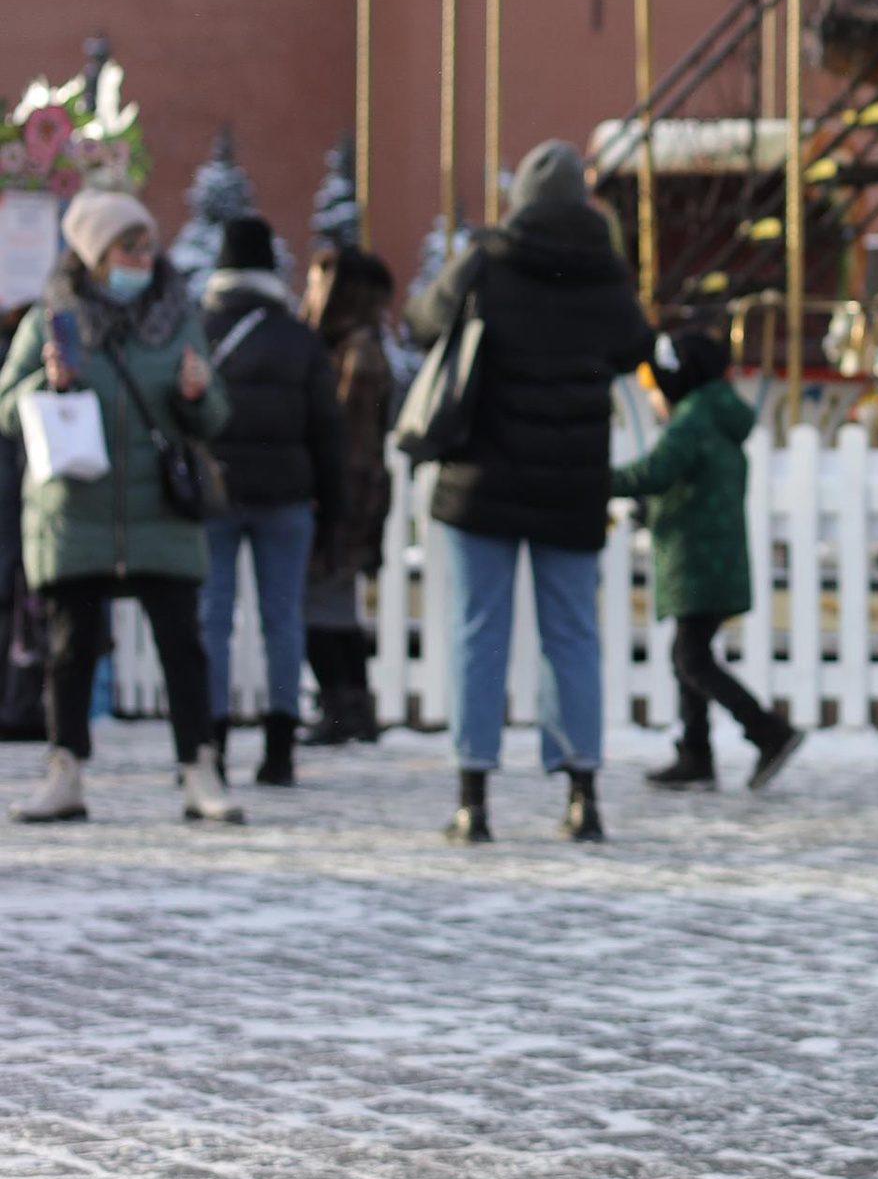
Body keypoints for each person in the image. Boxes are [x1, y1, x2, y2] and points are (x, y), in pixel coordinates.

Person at [410, 140, 653, 846]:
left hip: (481, 476)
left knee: (478, 632)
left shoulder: (487, 260)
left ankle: (473, 797)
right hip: (572, 482)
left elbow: (424, 321)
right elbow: (636, 346)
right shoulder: (605, 274)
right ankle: (582, 795)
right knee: (571, 635)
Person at [0, 190, 240, 827]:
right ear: (93, 253)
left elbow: (214, 414)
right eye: (127, 246)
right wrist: (44, 384)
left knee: (181, 646)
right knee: (70, 649)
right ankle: (66, 771)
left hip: (158, 508)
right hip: (75, 510)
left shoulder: (177, 313)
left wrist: (196, 393)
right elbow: (5, 411)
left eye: (145, 243)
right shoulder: (52, 318)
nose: (142, 256)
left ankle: (199, 769)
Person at [610, 326, 801, 793]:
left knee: (691, 658)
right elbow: (692, 483)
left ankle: (767, 731)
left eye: (655, 390)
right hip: (712, 555)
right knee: (687, 656)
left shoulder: (692, 419)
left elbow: (655, 472)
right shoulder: (716, 417)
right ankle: (696, 751)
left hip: (697, 558)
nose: (653, 401)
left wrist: (596, 479)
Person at [197, 214, 347, 787]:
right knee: (282, 619)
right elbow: (327, 429)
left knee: (214, 617)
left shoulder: (199, 327)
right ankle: (279, 747)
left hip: (216, 494)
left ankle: (210, 741)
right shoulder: (297, 336)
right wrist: (333, 506)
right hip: (286, 496)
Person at [303, 248, 397, 743]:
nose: (310, 293)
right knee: (332, 602)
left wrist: (335, 496)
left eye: (318, 282)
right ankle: (348, 705)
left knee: (324, 600)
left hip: (344, 495)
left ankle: (344, 706)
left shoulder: (356, 352)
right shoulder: (346, 345)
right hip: (346, 492)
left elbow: (348, 437)